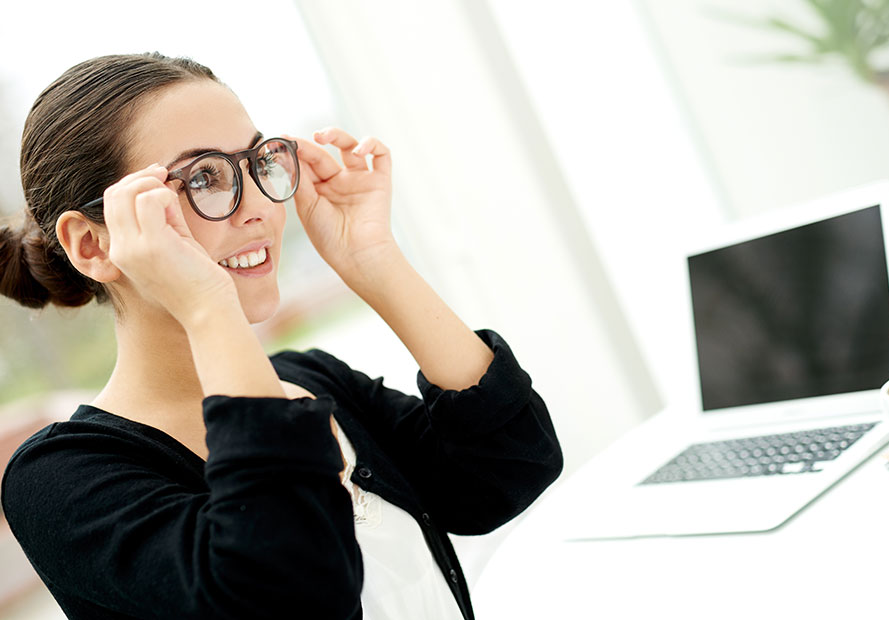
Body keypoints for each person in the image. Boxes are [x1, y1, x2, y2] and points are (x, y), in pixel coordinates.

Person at [0, 52, 562, 619]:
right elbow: (290, 590)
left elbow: (511, 467)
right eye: (202, 178)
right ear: (93, 244)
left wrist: (373, 258)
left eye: (256, 165)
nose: (260, 209)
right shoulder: (59, 479)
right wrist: (205, 304)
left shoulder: (310, 380)